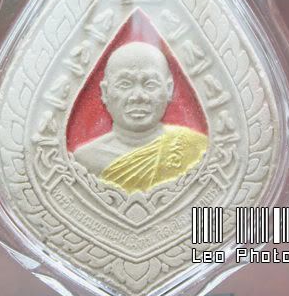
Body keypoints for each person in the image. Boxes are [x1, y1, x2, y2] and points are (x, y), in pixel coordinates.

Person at [72, 41, 208, 193]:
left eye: (150, 84)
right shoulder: (85, 160)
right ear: (105, 92)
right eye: (125, 84)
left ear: (169, 89)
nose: (138, 96)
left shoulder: (196, 148)